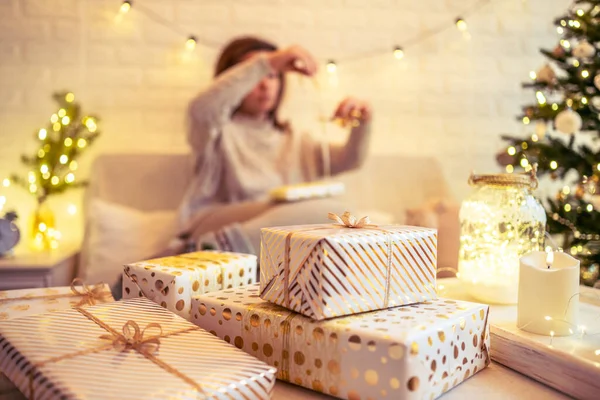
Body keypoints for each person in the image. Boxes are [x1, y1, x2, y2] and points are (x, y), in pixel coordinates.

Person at [169, 36, 373, 255]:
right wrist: (269, 62)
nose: (265, 84)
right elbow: (201, 109)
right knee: (332, 211)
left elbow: (350, 160)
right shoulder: (215, 130)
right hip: (216, 220)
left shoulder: (294, 138)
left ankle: (229, 250)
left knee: (338, 210)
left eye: (272, 75)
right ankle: (206, 247)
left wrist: (363, 120)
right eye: (254, 74)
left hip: (270, 226)